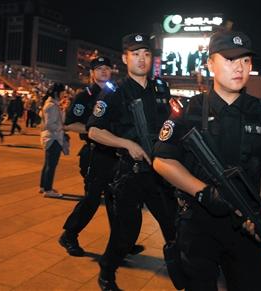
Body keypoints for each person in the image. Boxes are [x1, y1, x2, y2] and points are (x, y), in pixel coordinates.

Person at [153, 30, 261, 291]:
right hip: (198, 222)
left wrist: (260, 207)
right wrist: (203, 192)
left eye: (246, 60)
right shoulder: (188, 110)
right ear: (210, 64)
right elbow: (162, 160)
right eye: (229, 59)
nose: (239, 67)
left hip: (245, 225)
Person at [87, 33, 176, 291]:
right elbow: (94, 131)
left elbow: (169, 126)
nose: (142, 59)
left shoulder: (161, 88)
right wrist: (127, 144)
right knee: (126, 231)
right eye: (136, 54)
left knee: (173, 225)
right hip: (131, 173)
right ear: (125, 58)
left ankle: (183, 270)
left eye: (146, 54)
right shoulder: (114, 92)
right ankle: (107, 271)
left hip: (160, 171)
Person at [59, 56, 124, 257]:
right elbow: (69, 123)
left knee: (116, 199)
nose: (104, 72)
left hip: (115, 154)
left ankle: (121, 242)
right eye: (99, 69)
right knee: (92, 199)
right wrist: (93, 130)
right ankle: (69, 235)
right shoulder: (84, 96)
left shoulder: (117, 94)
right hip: (95, 154)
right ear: (92, 73)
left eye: (107, 68)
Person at [39, 83, 66, 198]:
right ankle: (48, 190)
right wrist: (62, 128)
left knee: (47, 164)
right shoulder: (51, 106)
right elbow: (50, 124)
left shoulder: (52, 104)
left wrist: (63, 109)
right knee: (51, 165)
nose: (64, 94)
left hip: (51, 137)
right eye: (62, 92)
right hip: (53, 138)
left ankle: (43, 186)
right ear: (56, 93)